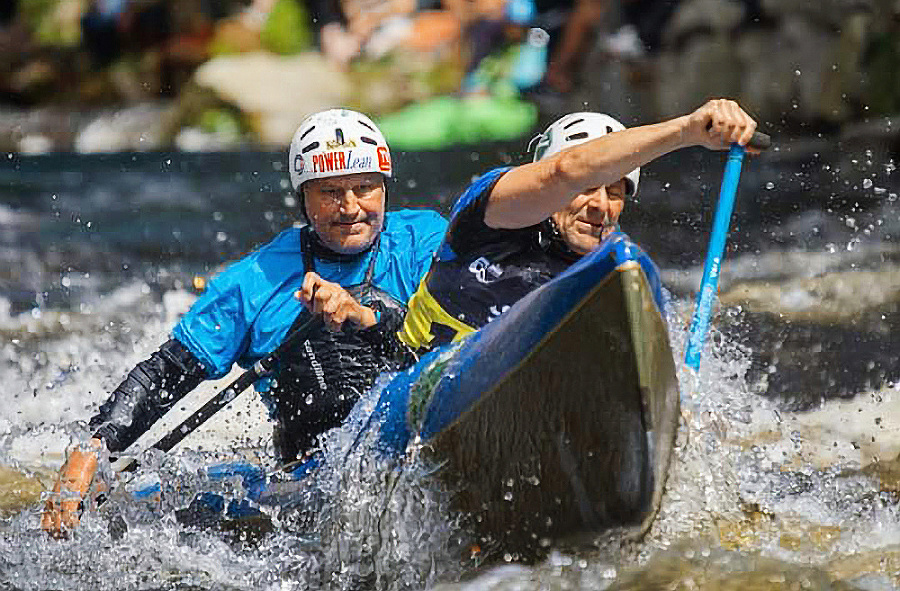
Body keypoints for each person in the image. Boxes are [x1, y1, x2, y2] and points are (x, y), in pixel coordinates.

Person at [41, 108, 448, 537]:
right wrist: (91, 450)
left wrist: (364, 316)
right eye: (329, 193)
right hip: (313, 472)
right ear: (302, 199)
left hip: (425, 421)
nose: (350, 208)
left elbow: (458, 328)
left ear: (384, 188)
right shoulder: (255, 280)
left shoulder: (426, 241)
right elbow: (166, 373)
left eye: (363, 188)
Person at [399, 98, 758, 350]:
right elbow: (565, 170)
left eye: (615, 191)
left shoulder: (619, 270)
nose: (600, 205)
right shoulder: (489, 210)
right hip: (417, 388)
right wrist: (687, 131)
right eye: (587, 188)